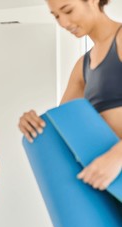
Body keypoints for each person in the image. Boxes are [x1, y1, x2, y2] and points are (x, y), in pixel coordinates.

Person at [19, 0, 122, 191]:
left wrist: (117, 156)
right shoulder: (82, 66)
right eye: (56, 16)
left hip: (114, 167)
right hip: (109, 184)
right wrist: (32, 123)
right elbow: (62, 127)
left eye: (68, 10)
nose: (64, 23)